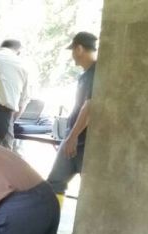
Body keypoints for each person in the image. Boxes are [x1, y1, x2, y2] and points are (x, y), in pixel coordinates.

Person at [47, 32, 98, 207]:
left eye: (73, 50)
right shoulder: (86, 74)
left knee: (91, 191)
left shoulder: (96, 73)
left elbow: (89, 107)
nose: (73, 56)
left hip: (83, 141)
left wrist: (73, 136)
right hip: (74, 138)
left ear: (79, 49)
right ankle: (50, 223)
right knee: (55, 183)